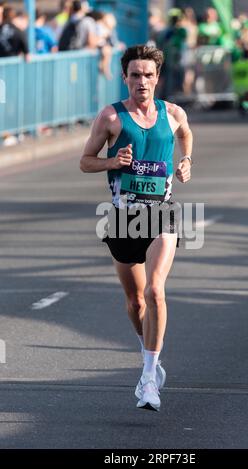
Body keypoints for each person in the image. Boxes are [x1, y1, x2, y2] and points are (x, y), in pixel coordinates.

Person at [80, 45, 193, 411]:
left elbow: (185, 136)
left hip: (162, 213)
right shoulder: (111, 117)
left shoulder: (173, 113)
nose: (142, 81)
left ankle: (147, 379)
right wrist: (113, 160)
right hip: (123, 219)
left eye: (148, 75)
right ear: (124, 77)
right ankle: (150, 355)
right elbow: (85, 162)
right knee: (135, 301)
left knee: (156, 291)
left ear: (157, 78)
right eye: (135, 75)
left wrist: (186, 161)